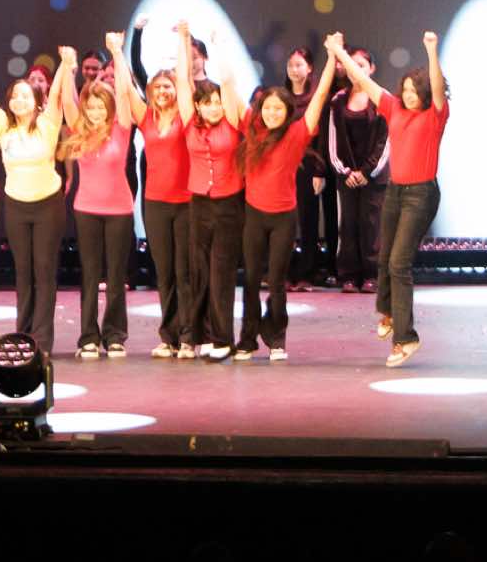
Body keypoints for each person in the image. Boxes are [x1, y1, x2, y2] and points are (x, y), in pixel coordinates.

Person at [328, 32, 448, 367]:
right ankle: (390, 312)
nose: (408, 95)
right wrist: (338, 51)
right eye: (405, 89)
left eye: (414, 91)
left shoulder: (434, 115)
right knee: (384, 258)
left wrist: (431, 51)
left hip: (421, 195)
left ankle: (406, 339)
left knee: (399, 263)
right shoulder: (393, 107)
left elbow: (438, 87)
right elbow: (363, 80)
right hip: (395, 191)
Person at [0, 49, 75, 356]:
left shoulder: (48, 124)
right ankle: (24, 333)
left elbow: (56, 94)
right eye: (14, 96)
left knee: (44, 270)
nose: (19, 100)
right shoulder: (4, 126)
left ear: (36, 101)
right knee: (23, 271)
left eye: (25, 95)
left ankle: (42, 339)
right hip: (16, 206)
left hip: (48, 206)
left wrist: (66, 65)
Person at [236, 40, 339, 361]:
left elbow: (319, 96)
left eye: (278, 109)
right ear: (260, 110)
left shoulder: (297, 133)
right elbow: (228, 91)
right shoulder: (252, 129)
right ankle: (247, 339)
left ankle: (277, 338)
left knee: (277, 282)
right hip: (254, 216)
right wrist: (216, 45)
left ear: (287, 112)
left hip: (283, 218)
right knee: (251, 279)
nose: (272, 113)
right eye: (267, 108)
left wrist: (333, 57)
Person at [61, 34, 140, 359]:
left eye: (100, 106)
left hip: (119, 210)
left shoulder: (121, 127)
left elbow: (124, 90)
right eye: (91, 106)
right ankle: (88, 337)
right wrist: (67, 67)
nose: (95, 111)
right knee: (90, 275)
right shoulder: (79, 128)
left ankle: (115, 335)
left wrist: (117, 53)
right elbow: (67, 101)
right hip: (86, 209)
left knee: (116, 276)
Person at [120, 30, 196, 359]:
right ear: (151, 91)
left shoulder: (186, 116)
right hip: (155, 205)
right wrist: (116, 51)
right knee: (164, 274)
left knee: (185, 273)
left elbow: (186, 82)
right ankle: (169, 337)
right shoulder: (146, 118)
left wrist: (183, 39)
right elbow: (126, 87)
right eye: (158, 87)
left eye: (168, 86)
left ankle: (189, 336)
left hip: (185, 203)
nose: (163, 91)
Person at [180, 21, 250, 361]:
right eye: (207, 103)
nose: (213, 107)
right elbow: (182, 82)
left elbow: (230, 82)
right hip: (199, 203)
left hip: (228, 205)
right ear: (197, 106)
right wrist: (183, 40)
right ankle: (203, 335)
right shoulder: (189, 124)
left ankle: (223, 338)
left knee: (221, 271)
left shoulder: (232, 122)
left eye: (217, 103)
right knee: (200, 270)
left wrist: (219, 46)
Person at [326, 48, 389, 293]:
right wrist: (345, 172)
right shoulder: (338, 100)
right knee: (348, 225)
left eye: (361, 65)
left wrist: (367, 171)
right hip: (347, 178)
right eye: (351, 65)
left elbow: (386, 142)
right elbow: (333, 142)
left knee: (371, 225)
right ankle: (349, 276)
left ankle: (372, 275)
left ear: (371, 68)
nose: (355, 70)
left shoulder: (382, 98)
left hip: (374, 177)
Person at [281, 48, 337, 291]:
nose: (294, 70)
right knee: (284, 221)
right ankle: (284, 272)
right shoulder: (281, 98)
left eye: (299, 65)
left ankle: (307, 272)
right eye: (290, 65)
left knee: (308, 220)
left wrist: (319, 170)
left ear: (310, 68)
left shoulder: (317, 99)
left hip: (309, 166)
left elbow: (323, 138)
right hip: (284, 167)